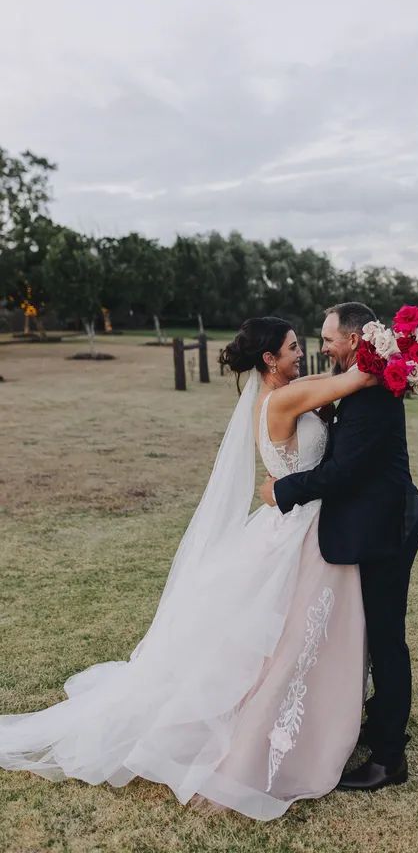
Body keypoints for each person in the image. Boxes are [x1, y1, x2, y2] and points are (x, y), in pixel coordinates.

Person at [0, 316, 377, 821]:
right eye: (291, 348)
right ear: (269, 360)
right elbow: (361, 379)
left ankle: (312, 720)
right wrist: (405, 351)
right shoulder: (284, 399)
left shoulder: (289, 389)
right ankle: (265, 737)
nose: (300, 354)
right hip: (297, 528)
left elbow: (327, 394)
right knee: (285, 638)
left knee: (295, 633)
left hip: (297, 522)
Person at [261, 302, 418, 791]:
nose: (322, 346)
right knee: (373, 634)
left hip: (386, 527)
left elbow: (342, 472)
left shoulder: (371, 391)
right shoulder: (359, 382)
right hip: (372, 521)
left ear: (353, 340)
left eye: (328, 338)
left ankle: (390, 758)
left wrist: (280, 492)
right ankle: (378, 721)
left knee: (387, 639)